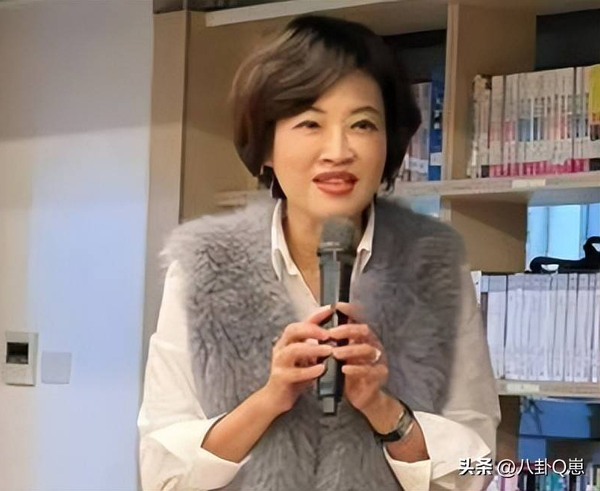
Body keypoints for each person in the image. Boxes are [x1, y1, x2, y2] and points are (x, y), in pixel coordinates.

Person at [138, 15, 500, 491]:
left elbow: (476, 468)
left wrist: (383, 409)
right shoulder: (204, 266)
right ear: (266, 145)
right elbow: (162, 472)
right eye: (310, 123)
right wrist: (269, 399)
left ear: (388, 144)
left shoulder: (434, 267)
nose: (338, 150)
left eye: (362, 124)